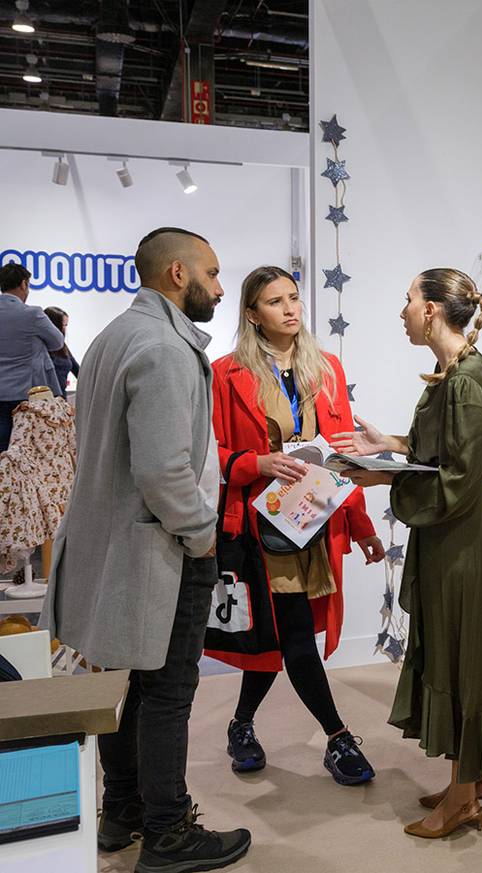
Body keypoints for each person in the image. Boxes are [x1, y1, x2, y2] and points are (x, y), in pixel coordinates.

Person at [42, 228, 252, 873]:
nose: (221, 288)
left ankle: (123, 813)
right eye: (213, 275)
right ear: (178, 273)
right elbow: (164, 471)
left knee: (132, 683)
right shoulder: (164, 346)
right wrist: (201, 533)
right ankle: (167, 832)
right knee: (167, 691)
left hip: (115, 544)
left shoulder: (113, 336)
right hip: (159, 547)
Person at [331, 267, 482, 839]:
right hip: (457, 534)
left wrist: (383, 480)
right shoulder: (457, 374)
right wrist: (393, 446)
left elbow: (459, 477)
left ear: (433, 309)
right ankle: (474, 782)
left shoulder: (463, 380)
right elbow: (462, 451)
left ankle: (462, 799)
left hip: (459, 537)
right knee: (462, 651)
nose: (403, 310)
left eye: (408, 299)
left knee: (461, 657)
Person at [207, 265, 385, 784]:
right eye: (274, 302)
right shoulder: (226, 373)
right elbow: (209, 453)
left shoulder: (325, 369)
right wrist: (254, 464)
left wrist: (363, 526)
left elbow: (342, 459)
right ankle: (338, 737)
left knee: (277, 635)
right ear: (252, 315)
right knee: (295, 633)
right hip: (262, 528)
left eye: (294, 298)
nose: (290, 309)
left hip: (317, 521)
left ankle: (240, 725)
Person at [0, 262, 64, 451]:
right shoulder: (32, 313)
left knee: (3, 450)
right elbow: (57, 342)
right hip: (27, 393)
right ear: (23, 284)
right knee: (28, 451)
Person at [43, 306, 81, 395]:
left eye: (66, 325)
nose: (65, 329)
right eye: (64, 325)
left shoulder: (63, 347)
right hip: (45, 400)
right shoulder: (40, 346)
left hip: (61, 398)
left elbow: (78, 371)